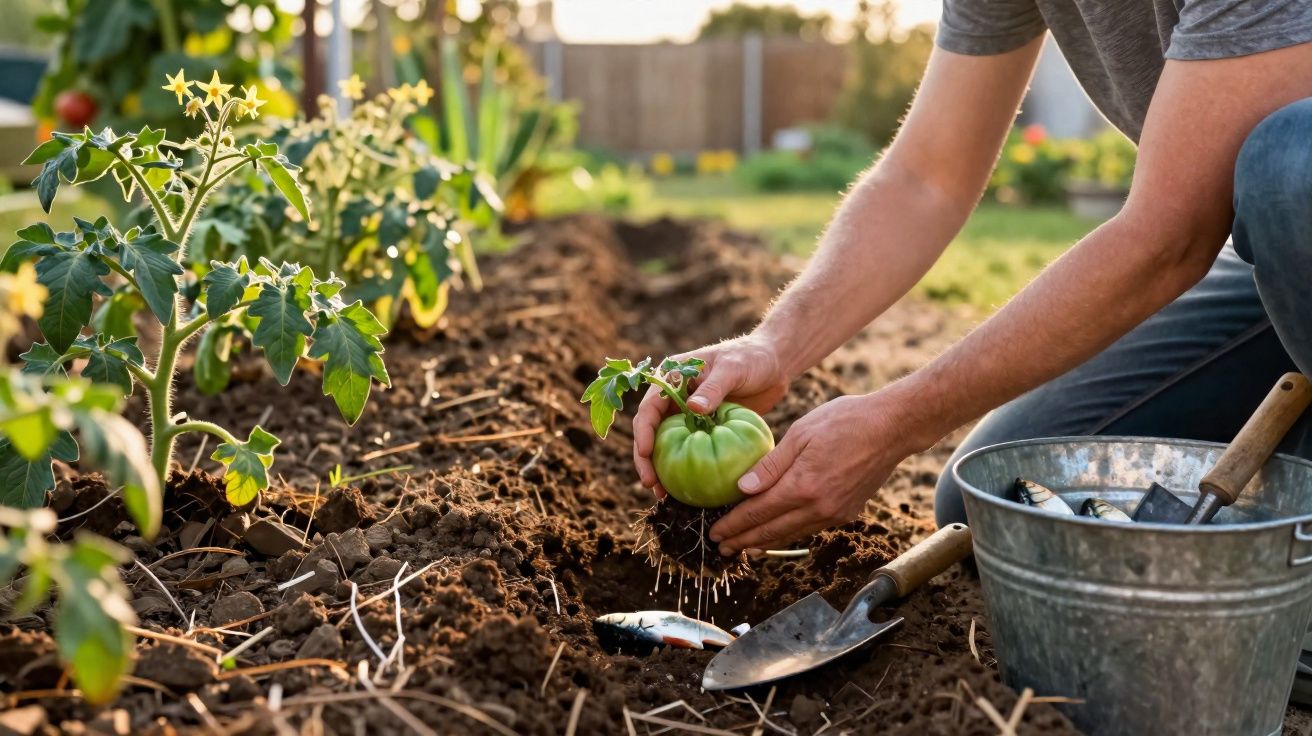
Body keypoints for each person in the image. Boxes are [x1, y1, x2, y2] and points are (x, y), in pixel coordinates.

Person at [630, 1, 1312, 557]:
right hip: (1281, 267)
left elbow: (1167, 238)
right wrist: (777, 343)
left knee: (1292, 167)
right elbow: (925, 178)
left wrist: (896, 421)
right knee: (1005, 497)